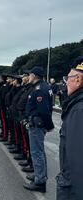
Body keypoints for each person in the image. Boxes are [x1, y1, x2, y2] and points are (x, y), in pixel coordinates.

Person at [23, 66, 54, 193]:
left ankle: (40, 181)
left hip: (37, 125)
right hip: (37, 124)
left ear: (34, 76)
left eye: (29, 75)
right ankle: (39, 175)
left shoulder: (39, 89)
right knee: (39, 152)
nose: (28, 77)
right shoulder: (43, 87)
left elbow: (44, 111)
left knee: (37, 153)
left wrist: (49, 125)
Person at [56, 57, 83, 200]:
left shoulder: (79, 110)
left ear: (78, 80)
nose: (66, 82)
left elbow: (78, 166)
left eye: (68, 78)